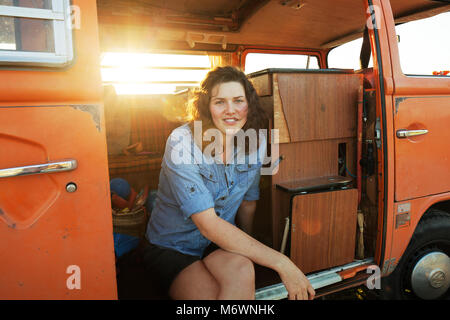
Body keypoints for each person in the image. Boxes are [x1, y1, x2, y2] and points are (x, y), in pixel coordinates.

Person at [143, 66, 315, 300]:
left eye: (238, 101)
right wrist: (281, 262)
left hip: (218, 243)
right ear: (206, 107)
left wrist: (249, 247)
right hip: (173, 247)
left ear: (249, 105)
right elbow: (208, 224)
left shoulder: (257, 142)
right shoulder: (181, 143)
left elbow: (248, 203)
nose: (230, 111)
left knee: (244, 267)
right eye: (220, 102)